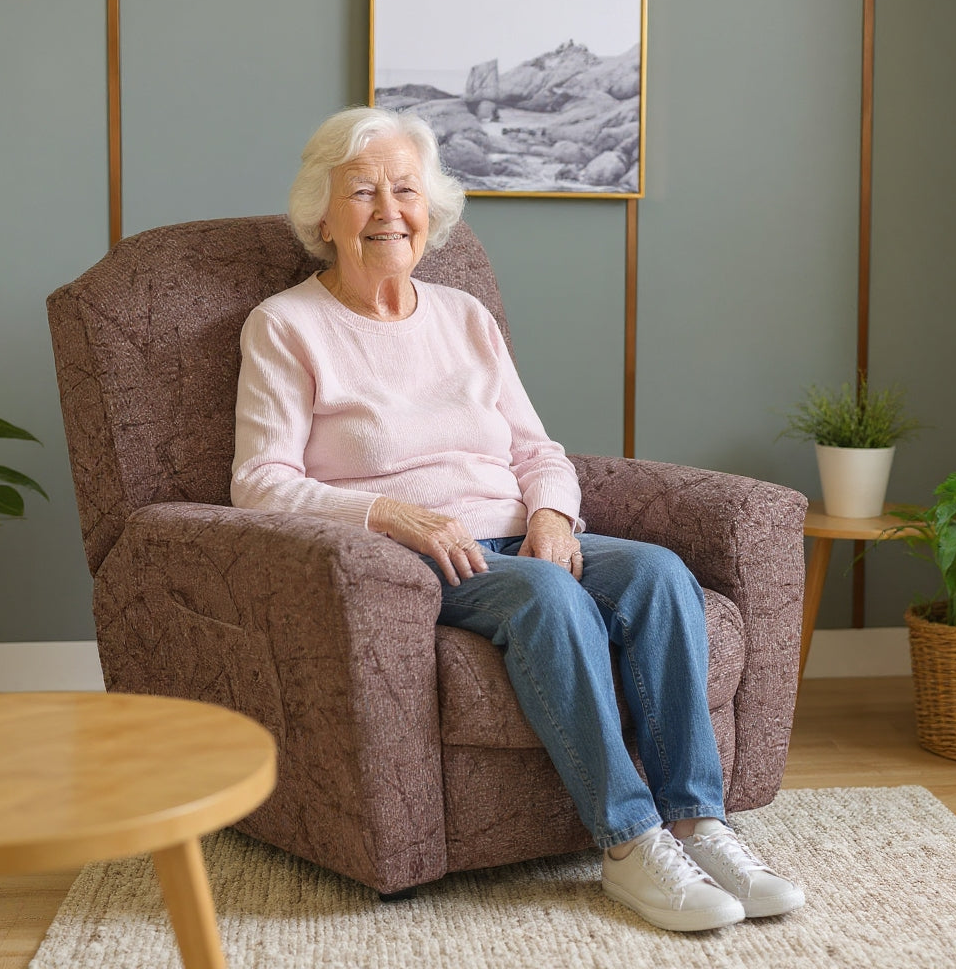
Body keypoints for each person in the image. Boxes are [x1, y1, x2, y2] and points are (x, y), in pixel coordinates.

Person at [231, 106, 804, 932]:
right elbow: (260, 483)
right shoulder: (286, 326)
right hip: (411, 556)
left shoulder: (464, 317)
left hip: (513, 530)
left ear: (431, 209)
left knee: (657, 573)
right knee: (547, 598)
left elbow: (538, 449)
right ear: (321, 214)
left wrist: (553, 516)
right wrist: (394, 516)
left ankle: (698, 822)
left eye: (406, 189)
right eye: (363, 192)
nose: (389, 210)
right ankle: (630, 844)